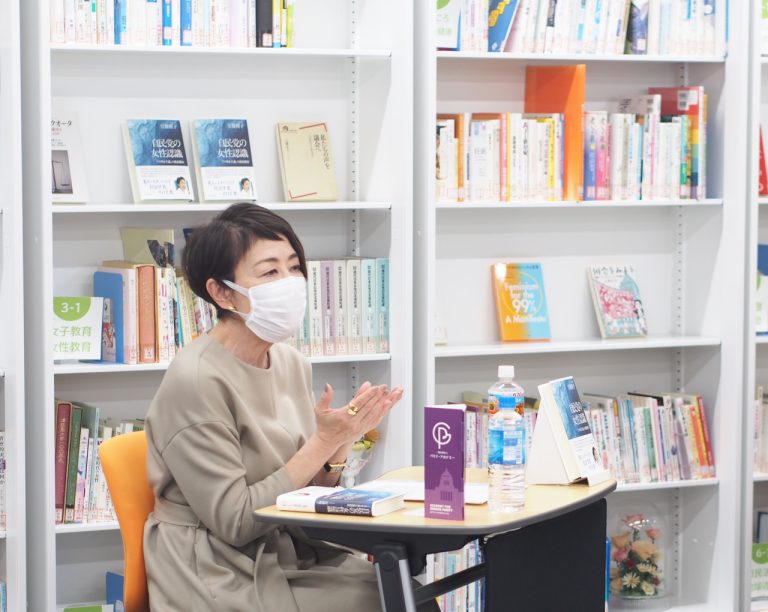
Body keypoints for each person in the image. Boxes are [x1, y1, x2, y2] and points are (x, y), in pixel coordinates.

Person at [143, 203, 428, 611]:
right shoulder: (196, 380)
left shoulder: (290, 361)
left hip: (287, 547)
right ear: (222, 292)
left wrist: (341, 441)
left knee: (407, 593)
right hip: (214, 564)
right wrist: (321, 442)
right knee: (383, 601)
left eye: (294, 267)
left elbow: (303, 490)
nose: (290, 283)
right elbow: (235, 522)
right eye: (269, 272)